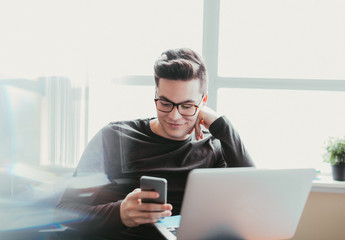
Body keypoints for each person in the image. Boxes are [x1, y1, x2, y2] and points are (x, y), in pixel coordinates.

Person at [56, 48, 255, 239]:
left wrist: (221, 125)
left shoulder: (214, 146)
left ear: (203, 101)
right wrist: (121, 214)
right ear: (156, 95)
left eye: (187, 106)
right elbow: (64, 212)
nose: (174, 116)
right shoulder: (115, 137)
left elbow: (254, 201)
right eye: (165, 103)